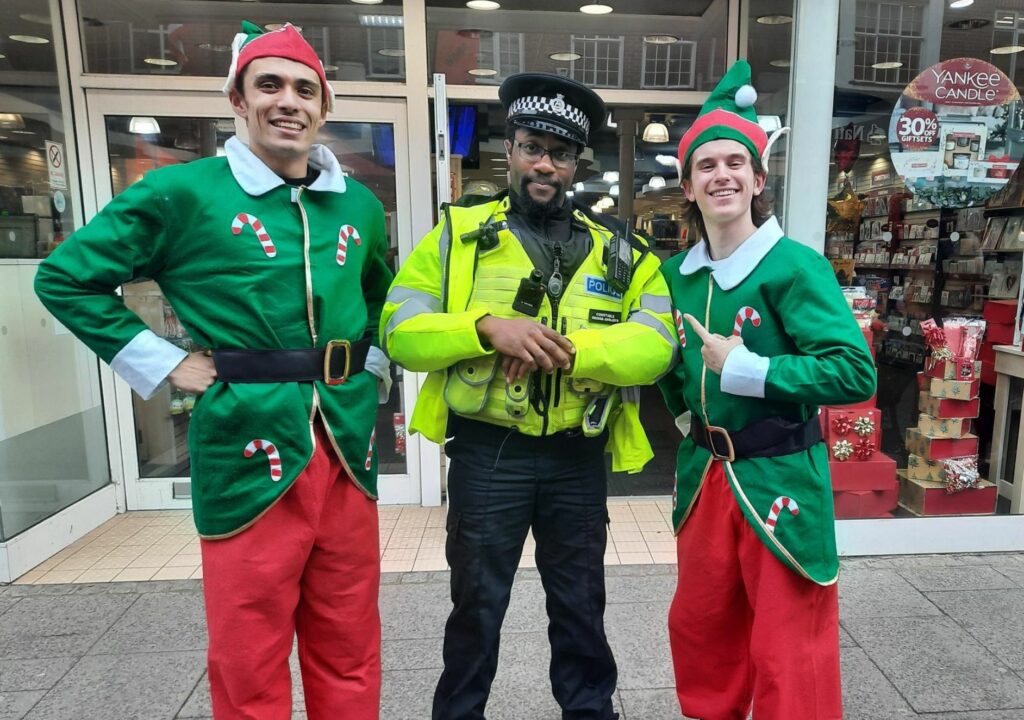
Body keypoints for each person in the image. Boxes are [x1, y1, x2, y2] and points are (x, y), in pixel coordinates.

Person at [34, 21, 392, 720]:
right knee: (248, 652)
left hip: (347, 449)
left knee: (350, 642)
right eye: (269, 86)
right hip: (244, 445)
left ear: (324, 107)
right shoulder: (185, 193)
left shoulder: (359, 206)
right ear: (238, 97)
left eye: (303, 88)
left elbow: (380, 294)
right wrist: (164, 362)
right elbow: (67, 278)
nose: (287, 101)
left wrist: (369, 367)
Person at [380, 73, 676, 720]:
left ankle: (590, 712)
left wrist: (566, 349)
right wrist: (485, 329)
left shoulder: (623, 252)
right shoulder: (456, 239)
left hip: (579, 460)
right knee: (476, 608)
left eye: (561, 152)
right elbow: (400, 332)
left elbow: (657, 346)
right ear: (509, 150)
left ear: (577, 163)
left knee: (581, 607)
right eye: (533, 146)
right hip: (490, 457)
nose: (546, 163)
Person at [657, 60, 876, 720]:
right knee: (702, 640)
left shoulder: (795, 267)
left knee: (790, 654)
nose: (721, 174)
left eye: (735, 162)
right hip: (704, 483)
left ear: (757, 179)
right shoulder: (671, 275)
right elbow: (668, 370)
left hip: (780, 478)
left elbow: (853, 372)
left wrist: (748, 370)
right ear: (689, 186)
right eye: (706, 165)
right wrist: (684, 423)